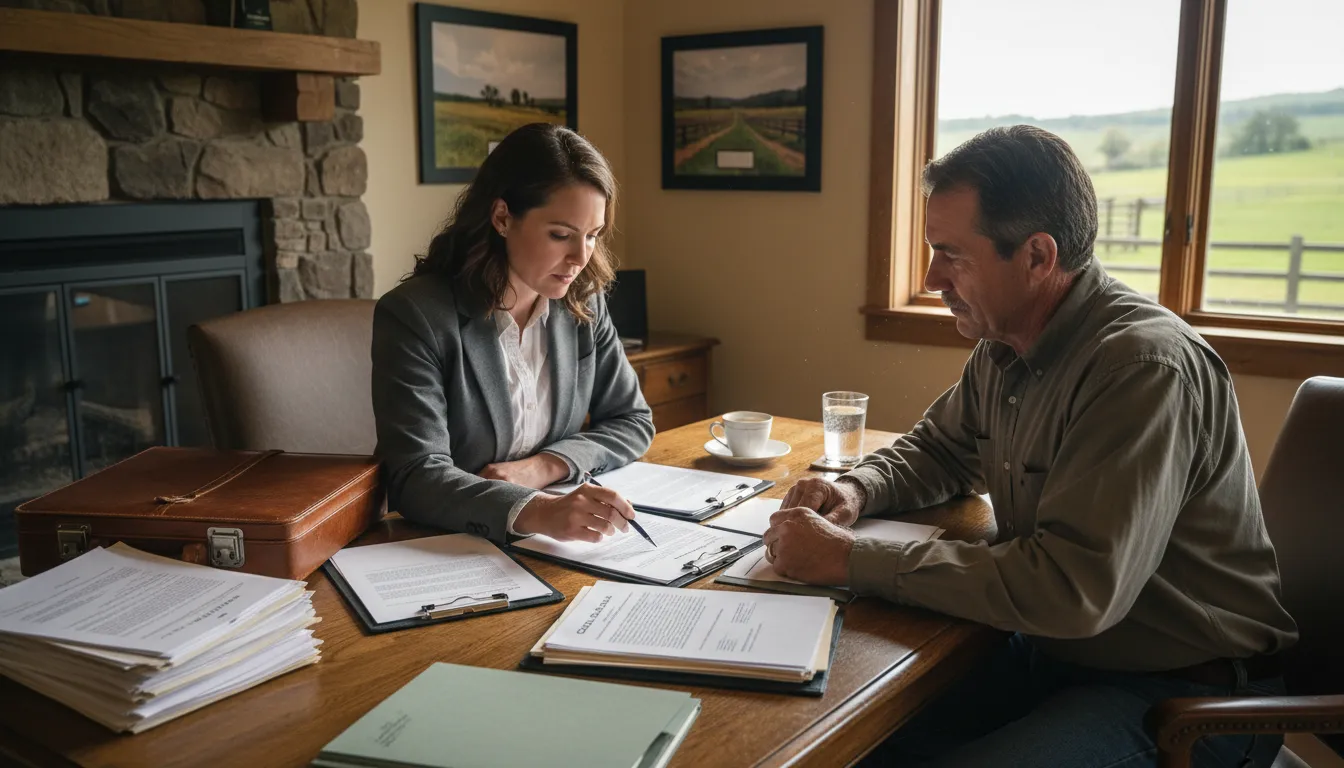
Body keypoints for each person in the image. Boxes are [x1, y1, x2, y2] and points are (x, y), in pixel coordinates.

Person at [763, 125, 1298, 767]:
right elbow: (939, 450)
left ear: (1038, 257)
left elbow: (1071, 589)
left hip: (1184, 696)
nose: (932, 278)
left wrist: (849, 559)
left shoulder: (1140, 368)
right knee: (831, 727)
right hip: (1061, 657)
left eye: (951, 255)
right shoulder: (1005, 343)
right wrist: (855, 488)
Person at [372, 123, 653, 545]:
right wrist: (536, 510)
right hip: (447, 544)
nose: (580, 257)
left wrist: (546, 466)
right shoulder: (416, 315)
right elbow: (415, 474)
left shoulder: (584, 301)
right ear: (502, 217)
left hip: (553, 544)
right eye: (560, 235)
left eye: (593, 236)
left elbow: (632, 420)